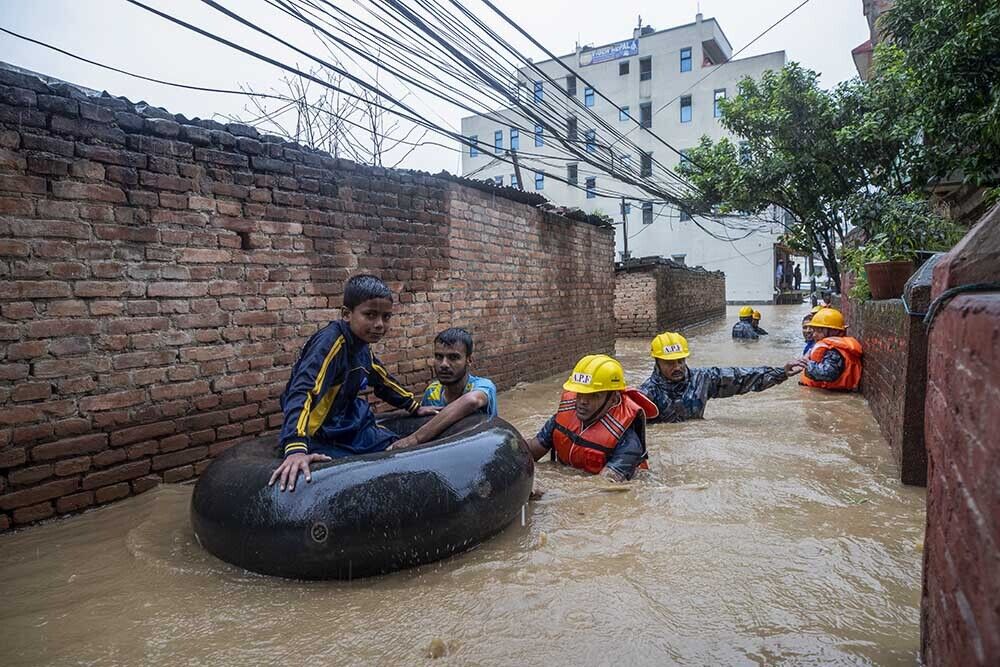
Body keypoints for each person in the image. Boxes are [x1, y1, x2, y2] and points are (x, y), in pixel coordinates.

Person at [269, 275, 439, 492]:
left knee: (396, 447)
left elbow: (381, 378)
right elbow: (303, 390)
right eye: (370, 315)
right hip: (322, 431)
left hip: (349, 422)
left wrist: (413, 406)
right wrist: (295, 448)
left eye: (386, 317)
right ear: (346, 314)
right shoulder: (331, 343)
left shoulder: (362, 345)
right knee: (345, 475)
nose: (379, 325)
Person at [524, 354, 658, 482]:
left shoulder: (628, 443)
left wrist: (550, 487)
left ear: (613, 398)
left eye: (594, 395)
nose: (583, 401)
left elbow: (602, 486)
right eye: (580, 393)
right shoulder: (560, 419)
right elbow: (531, 451)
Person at [639, 331, 802, 423]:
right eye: (670, 363)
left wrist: (780, 373)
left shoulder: (702, 379)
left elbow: (741, 377)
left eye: (680, 361)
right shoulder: (646, 394)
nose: (677, 367)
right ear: (657, 362)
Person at [388, 327, 498, 450]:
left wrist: (414, 439)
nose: (444, 364)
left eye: (454, 357)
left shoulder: (483, 386)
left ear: (469, 360)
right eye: (439, 356)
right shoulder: (433, 392)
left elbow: (472, 401)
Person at [793, 307, 863, 391]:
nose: (814, 335)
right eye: (814, 331)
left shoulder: (834, 352)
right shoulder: (829, 348)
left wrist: (807, 364)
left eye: (819, 331)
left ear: (834, 331)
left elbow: (828, 373)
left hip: (833, 397)